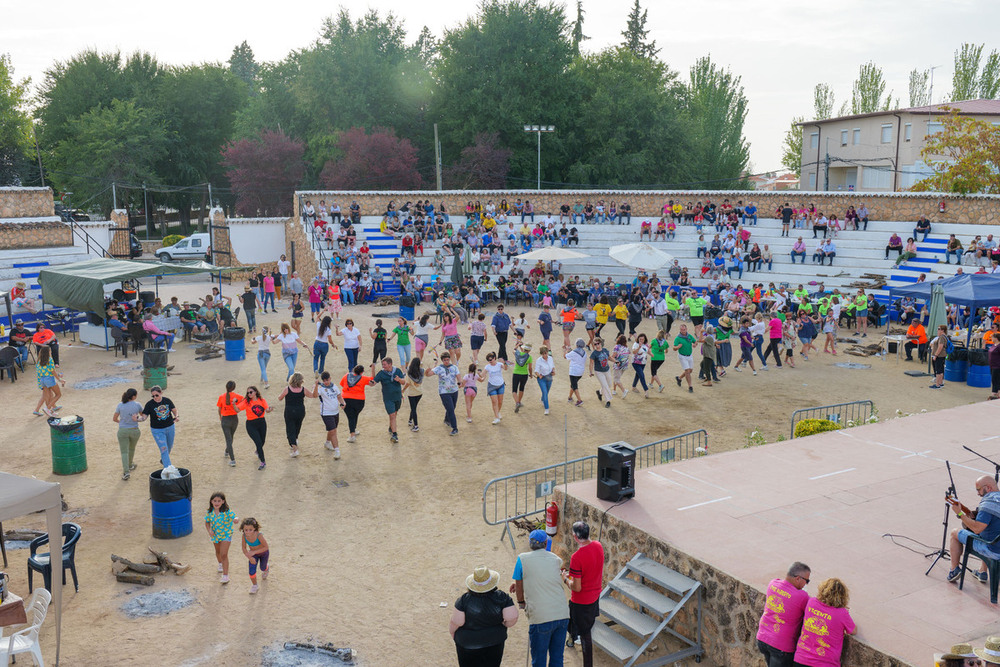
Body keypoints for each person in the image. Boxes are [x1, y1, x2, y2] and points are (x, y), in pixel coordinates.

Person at [511, 529, 571, 667]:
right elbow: (545, 576)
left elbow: (519, 586)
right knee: (557, 658)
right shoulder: (556, 560)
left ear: (530, 544)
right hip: (561, 614)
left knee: (539, 659)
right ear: (545, 544)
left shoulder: (522, 559)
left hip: (540, 617)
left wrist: (521, 602)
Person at [450, 565, 518, 667]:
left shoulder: (464, 600)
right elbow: (512, 617)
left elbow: (457, 622)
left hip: (467, 644)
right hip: (494, 642)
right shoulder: (502, 597)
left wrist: (453, 633)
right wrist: (504, 625)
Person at [563, 521, 603, 666]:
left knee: (585, 634)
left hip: (581, 601)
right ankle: (571, 640)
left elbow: (577, 587)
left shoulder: (576, 557)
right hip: (595, 596)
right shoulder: (598, 546)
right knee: (576, 621)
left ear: (575, 537)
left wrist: (566, 579)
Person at [756, 561, 811, 667]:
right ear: (798, 578)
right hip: (781, 646)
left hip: (762, 638)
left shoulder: (773, 583)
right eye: (807, 581)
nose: (806, 584)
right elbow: (812, 608)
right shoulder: (801, 596)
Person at [947, 475, 1000, 583]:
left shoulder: (988, 504)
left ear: (988, 488)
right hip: (996, 542)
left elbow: (977, 529)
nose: (977, 493)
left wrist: (960, 513)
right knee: (988, 532)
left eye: (979, 490)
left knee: (954, 533)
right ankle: (982, 572)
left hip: (993, 550)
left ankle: (954, 570)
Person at [792, 578, 856, 667]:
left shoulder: (811, 602)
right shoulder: (842, 613)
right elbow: (853, 630)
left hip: (801, 659)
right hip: (826, 663)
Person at [235, 386, 272, 470]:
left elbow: (267, 410)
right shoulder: (246, 402)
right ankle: (263, 462)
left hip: (262, 423)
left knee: (262, 441)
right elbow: (237, 410)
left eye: (251, 392)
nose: (249, 394)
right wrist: (234, 404)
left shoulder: (262, 401)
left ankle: (258, 451)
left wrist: (269, 410)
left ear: (255, 392)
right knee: (258, 443)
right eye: (248, 393)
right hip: (251, 425)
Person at [113, 388, 147, 481]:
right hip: (135, 430)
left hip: (123, 430)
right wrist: (137, 419)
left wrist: (122, 422)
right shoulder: (137, 405)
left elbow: (114, 418)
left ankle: (126, 471)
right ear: (134, 396)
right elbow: (143, 415)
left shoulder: (120, 405)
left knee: (124, 452)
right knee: (132, 448)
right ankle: (130, 464)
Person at [205, 492, 238, 584]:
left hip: (226, 535)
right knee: (218, 551)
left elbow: (234, 517)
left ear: (223, 501)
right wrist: (209, 531)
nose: (217, 502)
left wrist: (236, 519)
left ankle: (225, 576)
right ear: (211, 501)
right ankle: (220, 564)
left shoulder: (227, 511)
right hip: (215, 535)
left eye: (219, 501)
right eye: (215, 500)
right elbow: (207, 522)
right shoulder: (209, 512)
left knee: (224, 554)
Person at [426, 351, 462, 436]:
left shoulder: (454, 367)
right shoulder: (439, 368)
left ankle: (446, 419)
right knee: (451, 409)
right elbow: (429, 374)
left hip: (454, 391)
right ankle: (455, 428)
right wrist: (427, 371)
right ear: (442, 360)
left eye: (448, 359)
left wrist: (460, 382)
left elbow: (459, 377)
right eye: (445, 360)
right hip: (444, 392)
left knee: (453, 407)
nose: (447, 361)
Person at [370, 357, 406, 442]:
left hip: (397, 397)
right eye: (383, 365)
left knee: (395, 414)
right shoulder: (381, 373)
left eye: (384, 364)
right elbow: (373, 383)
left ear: (390, 364)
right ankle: (394, 435)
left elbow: (404, 382)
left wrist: (399, 380)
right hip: (388, 398)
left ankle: (391, 427)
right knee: (392, 415)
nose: (383, 366)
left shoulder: (397, 371)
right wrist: (372, 371)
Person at [142, 386, 178, 467]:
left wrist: (177, 416)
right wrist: (138, 419)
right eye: (153, 396)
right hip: (157, 430)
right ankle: (168, 468)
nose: (155, 397)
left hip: (170, 427)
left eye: (157, 395)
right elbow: (144, 416)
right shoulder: (149, 404)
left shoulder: (167, 400)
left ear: (161, 393)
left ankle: (164, 460)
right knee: (164, 449)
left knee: (169, 447)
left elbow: (174, 410)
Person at [314, 371, 346, 459]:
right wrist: (316, 386)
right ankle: (337, 451)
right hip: (326, 413)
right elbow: (315, 395)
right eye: (324, 380)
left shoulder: (334, 387)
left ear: (330, 378)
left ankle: (327, 443)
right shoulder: (320, 388)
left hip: (335, 412)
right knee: (333, 431)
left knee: (332, 430)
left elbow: (339, 396)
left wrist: (342, 403)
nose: (326, 382)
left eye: (327, 380)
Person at [278, 373, 311, 457]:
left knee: (290, 429)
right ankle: (295, 440)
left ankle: (294, 448)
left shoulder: (287, 389)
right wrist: (315, 388)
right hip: (300, 411)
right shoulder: (303, 389)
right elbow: (312, 395)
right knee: (297, 426)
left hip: (290, 411)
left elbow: (280, 398)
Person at [340, 364, 372, 443]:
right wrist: (373, 369)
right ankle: (353, 430)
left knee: (351, 417)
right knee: (355, 414)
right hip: (359, 400)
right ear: (361, 372)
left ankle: (352, 435)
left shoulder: (346, 376)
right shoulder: (363, 378)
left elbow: (341, 384)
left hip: (346, 399)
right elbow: (372, 379)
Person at [240, 517, 270, 595]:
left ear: (255, 529)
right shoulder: (244, 536)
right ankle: (255, 585)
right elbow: (243, 548)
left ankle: (266, 568)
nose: (248, 532)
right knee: (251, 571)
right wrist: (250, 557)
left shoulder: (259, 535)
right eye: (246, 530)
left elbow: (266, 547)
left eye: (250, 530)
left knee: (262, 568)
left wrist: (254, 552)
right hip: (253, 556)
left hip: (263, 553)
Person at [32, 345, 64, 417]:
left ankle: (50, 411)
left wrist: (40, 384)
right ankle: (48, 408)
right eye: (50, 351)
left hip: (42, 380)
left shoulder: (38, 361)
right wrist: (59, 379)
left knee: (47, 396)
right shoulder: (50, 359)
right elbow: (52, 371)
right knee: (58, 394)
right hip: (49, 379)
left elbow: (39, 373)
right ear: (48, 352)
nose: (51, 352)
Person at [217, 381, 241, 466]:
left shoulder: (221, 397)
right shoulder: (237, 396)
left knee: (228, 439)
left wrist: (220, 416)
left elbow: (219, 409)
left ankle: (232, 459)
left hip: (225, 420)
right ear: (234, 388)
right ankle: (227, 451)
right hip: (234, 419)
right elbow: (244, 400)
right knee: (231, 437)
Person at [673, 324, 697, 393]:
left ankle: (679, 378)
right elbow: (674, 348)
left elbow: (695, 341)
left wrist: (695, 344)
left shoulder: (689, 336)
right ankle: (690, 386)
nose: (683, 331)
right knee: (687, 371)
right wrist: (677, 347)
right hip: (682, 356)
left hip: (689, 355)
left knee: (690, 370)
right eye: (681, 330)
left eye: (684, 330)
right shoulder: (678, 338)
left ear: (686, 329)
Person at [511, 342, 533, 413]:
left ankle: (517, 403)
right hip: (524, 374)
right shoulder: (529, 357)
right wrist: (531, 374)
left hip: (516, 373)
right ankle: (519, 402)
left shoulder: (518, 354)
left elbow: (513, 350)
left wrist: (517, 345)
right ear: (529, 350)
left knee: (514, 390)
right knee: (521, 388)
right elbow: (530, 368)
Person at [565, 338, 587, 406]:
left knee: (574, 386)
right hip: (580, 372)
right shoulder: (584, 353)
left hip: (573, 371)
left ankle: (579, 400)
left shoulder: (574, 352)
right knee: (573, 385)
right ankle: (570, 397)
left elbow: (565, 356)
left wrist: (566, 350)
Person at [404, 358, 424, 432]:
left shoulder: (409, 373)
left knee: (413, 408)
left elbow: (407, 384)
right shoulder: (421, 371)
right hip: (420, 392)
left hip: (412, 393)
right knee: (414, 407)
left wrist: (402, 390)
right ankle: (410, 420)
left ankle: (416, 426)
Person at [534, 346, 555, 416]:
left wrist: (553, 371)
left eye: (546, 353)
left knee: (547, 392)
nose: (545, 355)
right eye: (543, 354)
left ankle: (542, 399)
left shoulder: (551, 358)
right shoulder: (538, 360)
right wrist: (539, 375)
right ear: (541, 354)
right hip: (542, 379)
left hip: (549, 377)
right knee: (545, 392)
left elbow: (552, 367)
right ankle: (547, 408)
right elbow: (536, 371)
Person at [930, 324, 949, 390]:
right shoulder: (945, 337)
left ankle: (937, 384)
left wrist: (935, 355)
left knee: (938, 370)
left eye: (939, 329)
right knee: (941, 370)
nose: (937, 330)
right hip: (942, 355)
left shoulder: (941, 337)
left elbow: (940, 347)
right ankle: (940, 383)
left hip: (940, 356)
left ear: (942, 330)